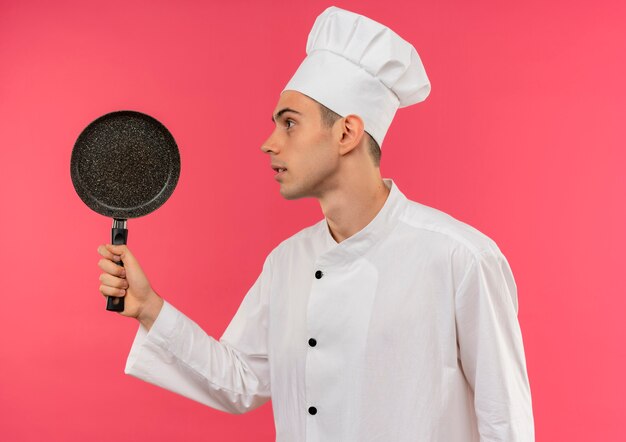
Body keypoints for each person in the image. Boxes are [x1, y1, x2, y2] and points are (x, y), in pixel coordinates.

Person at [96, 6, 534, 441]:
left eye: (289, 123)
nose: (269, 144)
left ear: (346, 133)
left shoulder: (460, 257)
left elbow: (505, 422)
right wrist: (150, 308)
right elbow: (243, 378)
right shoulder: (287, 262)